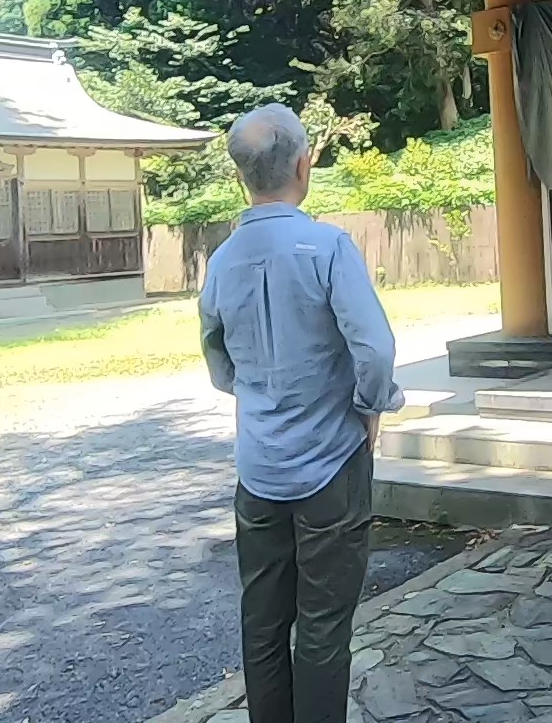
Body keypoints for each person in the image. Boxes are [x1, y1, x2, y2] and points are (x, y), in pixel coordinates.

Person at [199, 103, 402, 723]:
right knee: (323, 625)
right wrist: (370, 407)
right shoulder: (328, 246)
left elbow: (216, 353)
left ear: (241, 174)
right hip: (331, 462)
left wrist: (255, 396)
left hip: (258, 466)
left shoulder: (221, 259)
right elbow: (375, 348)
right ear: (303, 165)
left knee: (262, 621)